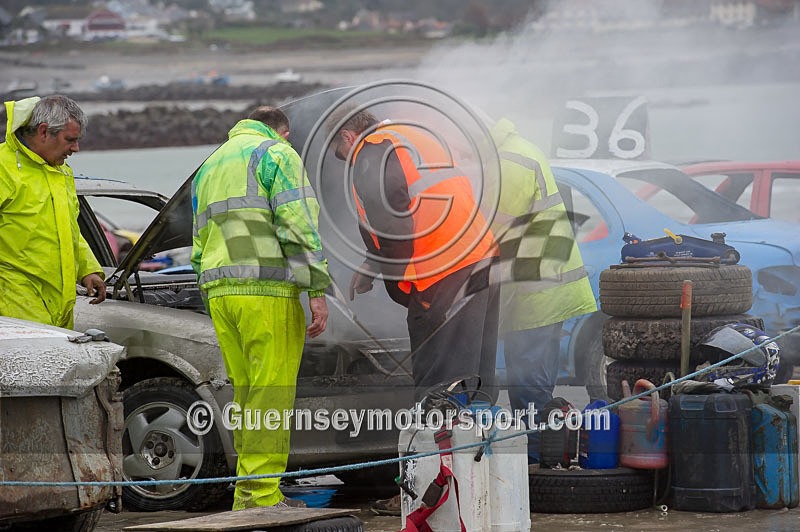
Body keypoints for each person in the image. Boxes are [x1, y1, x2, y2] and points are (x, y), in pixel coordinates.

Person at [329, 108, 500, 516]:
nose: (340, 156)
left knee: (436, 384)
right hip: (479, 260)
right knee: (474, 381)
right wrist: (373, 266)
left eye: (338, 147)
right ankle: (483, 486)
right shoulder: (415, 138)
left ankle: (427, 491)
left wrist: (400, 280)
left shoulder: (370, 151)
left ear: (350, 135)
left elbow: (393, 220)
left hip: (440, 274)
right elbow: (416, 203)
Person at [191, 105, 331, 510]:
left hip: (220, 291)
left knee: (248, 395)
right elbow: (298, 224)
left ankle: (248, 494)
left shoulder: (210, 165)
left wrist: (211, 290)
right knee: (271, 394)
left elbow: (198, 240)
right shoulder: (276, 154)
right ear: (282, 132)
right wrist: (315, 290)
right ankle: (264, 496)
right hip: (266, 290)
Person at [489, 117, 597, 464]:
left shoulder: (509, 162)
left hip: (537, 293)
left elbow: (499, 234)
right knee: (535, 385)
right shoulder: (518, 150)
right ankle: (545, 456)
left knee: (528, 387)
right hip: (547, 288)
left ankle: (536, 463)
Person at [0, 95, 106, 329]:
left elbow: (70, 230)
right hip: (13, 300)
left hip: (60, 301)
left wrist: (89, 269)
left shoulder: (61, 173)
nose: (75, 148)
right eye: (70, 140)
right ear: (44, 131)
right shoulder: (3, 168)